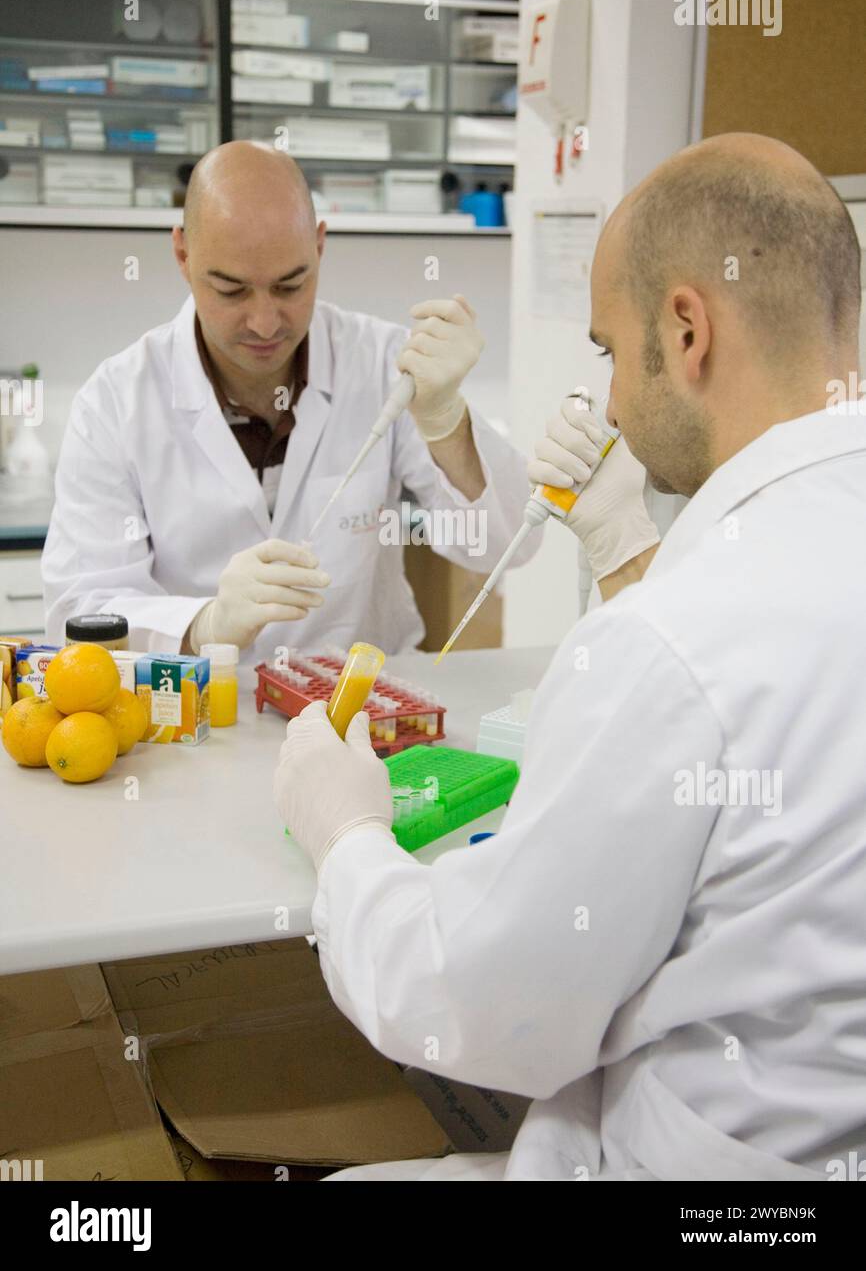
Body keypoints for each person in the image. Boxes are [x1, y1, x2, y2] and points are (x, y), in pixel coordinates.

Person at [275, 133, 866, 1181]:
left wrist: (348, 833)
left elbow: (474, 1005)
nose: (609, 400)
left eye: (605, 350)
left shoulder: (663, 644)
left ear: (685, 330)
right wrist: (627, 550)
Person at [42, 142, 540, 659]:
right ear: (183, 255)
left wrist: (446, 420)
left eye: (289, 285)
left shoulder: (384, 364)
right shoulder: (116, 402)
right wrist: (205, 624)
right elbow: (81, 609)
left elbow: (506, 546)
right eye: (231, 290)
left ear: (319, 247)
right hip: (198, 716)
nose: (264, 322)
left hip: (364, 717)